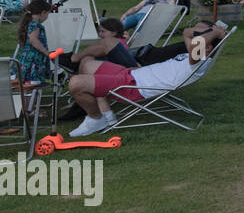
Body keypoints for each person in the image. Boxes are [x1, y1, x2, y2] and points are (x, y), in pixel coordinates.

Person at [65, 23, 228, 136]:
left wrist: (216, 33)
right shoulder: (196, 54)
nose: (195, 39)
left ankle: (95, 118)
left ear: (208, 48)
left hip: (133, 87)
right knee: (87, 62)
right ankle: (106, 114)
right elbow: (186, 32)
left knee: (76, 83)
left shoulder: (199, 60)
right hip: (133, 73)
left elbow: (196, 43)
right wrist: (212, 30)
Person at [16, 0, 54, 85]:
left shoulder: (29, 23)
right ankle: (33, 98)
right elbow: (33, 40)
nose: (47, 17)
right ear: (43, 13)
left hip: (27, 58)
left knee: (27, 85)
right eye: (47, 14)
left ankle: (27, 98)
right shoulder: (36, 25)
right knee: (33, 84)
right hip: (34, 60)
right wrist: (47, 53)